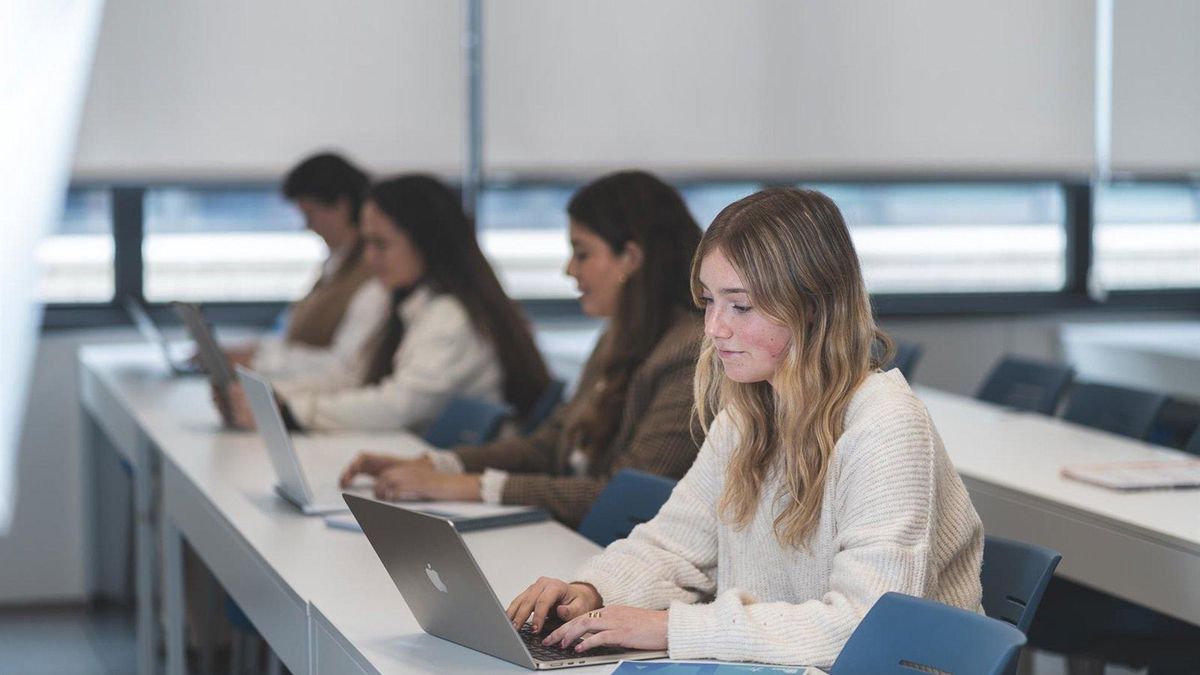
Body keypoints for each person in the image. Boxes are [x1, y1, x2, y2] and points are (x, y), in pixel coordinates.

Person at [503, 188, 985, 668]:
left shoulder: (885, 423)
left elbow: (869, 625)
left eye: (740, 306)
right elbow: (672, 547)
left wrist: (671, 627)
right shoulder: (749, 413)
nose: (714, 328)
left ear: (811, 307)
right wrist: (592, 591)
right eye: (709, 301)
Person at [339, 170, 705, 526]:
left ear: (630, 258)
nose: (569, 270)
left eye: (582, 253)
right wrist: (438, 465)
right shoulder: (618, 336)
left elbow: (623, 498)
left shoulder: (686, 354)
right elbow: (549, 445)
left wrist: (473, 486)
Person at [224, 174, 550, 433]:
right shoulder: (410, 306)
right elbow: (355, 375)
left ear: (427, 244)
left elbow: (399, 404)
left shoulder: (451, 317)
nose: (370, 257)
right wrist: (274, 398)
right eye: (367, 243)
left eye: (381, 244)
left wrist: (292, 411)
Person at [227, 152, 389, 380]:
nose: (308, 226)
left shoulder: (372, 277)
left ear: (341, 207)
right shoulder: (335, 266)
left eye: (310, 215)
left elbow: (342, 367)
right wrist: (256, 351)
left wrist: (258, 361)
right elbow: (297, 340)